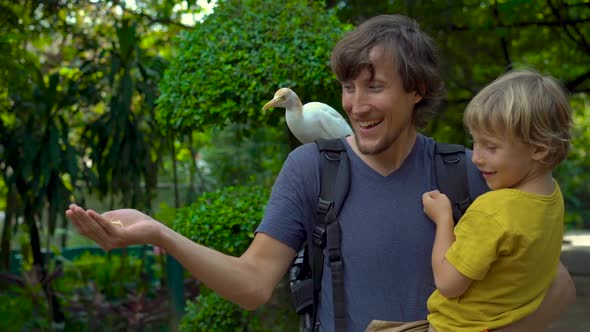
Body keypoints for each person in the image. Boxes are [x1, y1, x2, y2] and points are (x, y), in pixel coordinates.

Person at [65, 14, 575, 332]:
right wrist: (159, 233)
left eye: (373, 87)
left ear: (416, 89)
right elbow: (253, 284)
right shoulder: (313, 168)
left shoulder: (466, 170)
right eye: (348, 87)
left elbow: (555, 284)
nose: (355, 104)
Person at [425, 69, 572, 332]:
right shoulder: (552, 197)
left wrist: (443, 219)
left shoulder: (493, 210)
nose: (476, 157)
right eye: (475, 142)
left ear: (538, 149)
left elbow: (447, 283)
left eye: (491, 147)